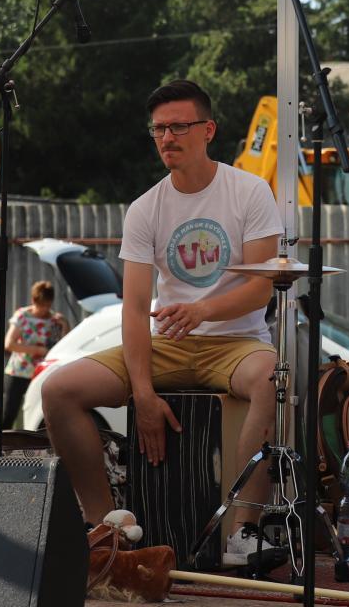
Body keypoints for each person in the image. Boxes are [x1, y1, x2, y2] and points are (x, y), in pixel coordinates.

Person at [42, 80, 281, 563]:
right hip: (169, 344)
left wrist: (203, 310)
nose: (167, 138)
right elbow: (133, 309)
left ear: (208, 130)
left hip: (237, 343)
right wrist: (144, 394)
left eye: (178, 127)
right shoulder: (145, 207)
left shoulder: (250, 190)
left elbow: (262, 288)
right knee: (58, 389)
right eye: (158, 129)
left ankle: (244, 532)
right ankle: (105, 527)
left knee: (273, 378)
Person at [2, 280, 68, 429]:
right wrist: (38, 351)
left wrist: (65, 326)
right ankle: (2, 441)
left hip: (42, 374)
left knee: (42, 413)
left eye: (48, 305)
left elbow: (64, 346)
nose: (45, 309)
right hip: (20, 371)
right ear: (34, 300)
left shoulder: (55, 320)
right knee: (9, 413)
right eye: (41, 305)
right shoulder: (23, 316)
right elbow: (9, 344)